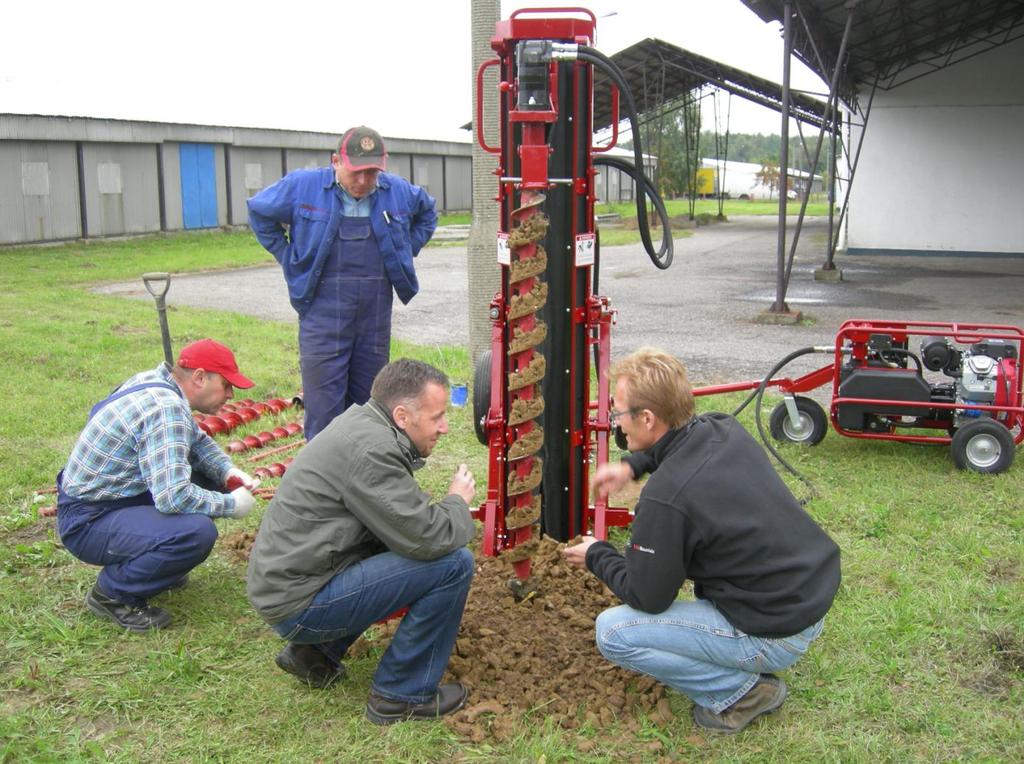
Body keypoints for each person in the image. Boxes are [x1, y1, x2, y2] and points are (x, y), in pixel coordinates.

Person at [563, 348, 841, 734]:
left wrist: (597, 553)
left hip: (776, 631)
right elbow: (675, 446)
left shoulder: (666, 498)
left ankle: (740, 693)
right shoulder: (720, 427)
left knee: (613, 632)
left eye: (618, 413)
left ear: (647, 418)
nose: (615, 422)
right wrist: (632, 464)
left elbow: (648, 597)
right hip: (808, 597)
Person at [246, 358, 476, 725]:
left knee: (392, 540)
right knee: (452, 565)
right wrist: (456, 502)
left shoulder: (365, 426)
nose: (445, 427)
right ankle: (401, 696)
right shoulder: (372, 451)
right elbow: (430, 538)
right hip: (298, 602)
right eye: (437, 417)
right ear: (402, 416)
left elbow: (402, 526)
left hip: (290, 585)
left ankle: (313, 655)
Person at [247, 125, 438, 441]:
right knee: (323, 408)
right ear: (336, 160)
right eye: (356, 172)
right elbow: (259, 212)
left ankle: (363, 479)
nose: (363, 181)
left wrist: (405, 249)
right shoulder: (302, 187)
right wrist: (289, 256)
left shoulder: (397, 191)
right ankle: (322, 485)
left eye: (372, 173)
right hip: (322, 313)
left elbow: (427, 213)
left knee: (370, 403)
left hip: (374, 315)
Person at [57, 339, 260, 632]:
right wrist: (233, 505)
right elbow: (173, 497)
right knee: (195, 533)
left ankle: (157, 565)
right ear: (200, 377)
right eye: (227, 385)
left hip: (112, 499)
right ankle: (113, 595)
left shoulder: (155, 381)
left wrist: (228, 472)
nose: (230, 394)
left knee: (209, 481)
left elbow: (197, 440)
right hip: (88, 521)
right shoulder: (166, 409)